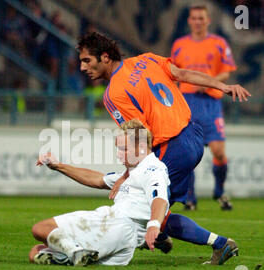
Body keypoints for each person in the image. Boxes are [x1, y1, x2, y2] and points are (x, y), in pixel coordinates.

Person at [29, 119, 238, 266]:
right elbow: (97, 179)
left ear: (140, 146)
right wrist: (58, 166)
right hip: (115, 230)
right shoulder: (132, 172)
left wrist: (153, 227)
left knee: (40, 228)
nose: (119, 154)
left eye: (122, 148)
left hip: (117, 227)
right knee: (36, 252)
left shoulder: (152, 169)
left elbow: (160, 199)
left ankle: (76, 252)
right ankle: (77, 254)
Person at [76, 32, 250, 208]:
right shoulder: (146, 60)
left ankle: (214, 237)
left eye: (86, 60)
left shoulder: (113, 94)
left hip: (172, 149)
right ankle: (166, 232)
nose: (82, 67)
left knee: (140, 212)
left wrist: (127, 175)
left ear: (105, 57)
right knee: (156, 215)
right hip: (194, 135)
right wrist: (223, 86)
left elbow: (141, 136)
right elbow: (182, 74)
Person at [171, 5, 237, 211]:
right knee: (189, 152)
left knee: (218, 152)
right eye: (194, 18)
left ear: (208, 21)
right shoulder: (179, 45)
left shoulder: (219, 43)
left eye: (201, 18)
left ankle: (219, 190)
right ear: (189, 21)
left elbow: (226, 72)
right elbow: (173, 73)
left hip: (210, 103)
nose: (198, 21)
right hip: (187, 102)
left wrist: (208, 82)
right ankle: (190, 198)